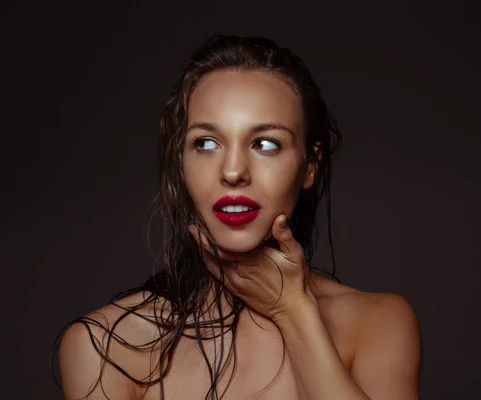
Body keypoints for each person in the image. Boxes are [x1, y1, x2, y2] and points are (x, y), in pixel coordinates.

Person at [52, 34, 422, 400]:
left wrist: (295, 312)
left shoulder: (379, 323)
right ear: (181, 164)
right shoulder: (105, 346)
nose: (232, 171)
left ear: (310, 166)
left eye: (265, 144)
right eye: (206, 143)